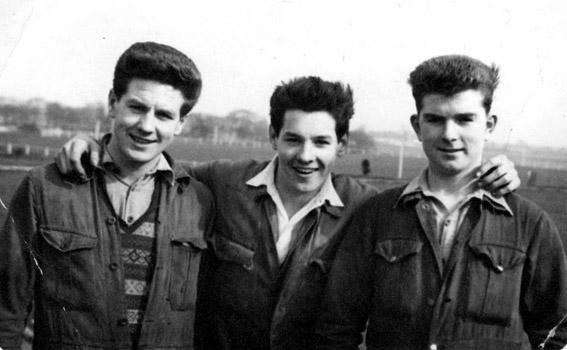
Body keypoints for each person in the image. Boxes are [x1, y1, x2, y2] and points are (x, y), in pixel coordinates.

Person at [54, 76, 520, 350]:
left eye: (321, 142)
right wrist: (96, 144)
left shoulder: (367, 207)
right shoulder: (221, 180)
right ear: (273, 135)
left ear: (342, 144)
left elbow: (441, 195)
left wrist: (496, 168)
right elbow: (154, 161)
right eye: (293, 139)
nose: (306, 155)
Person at [314, 55, 567, 350]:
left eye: (464, 119)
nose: (449, 134)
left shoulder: (530, 224)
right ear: (417, 126)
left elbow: (557, 334)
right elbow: (336, 329)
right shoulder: (376, 215)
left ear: (489, 124)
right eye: (435, 119)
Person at [0, 41, 214, 350]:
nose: (146, 125)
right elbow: (6, 307)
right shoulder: (43, 188)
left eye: (164, 115)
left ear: (181, 123)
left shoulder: (201, 201)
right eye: (137, 107)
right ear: (113, 102)